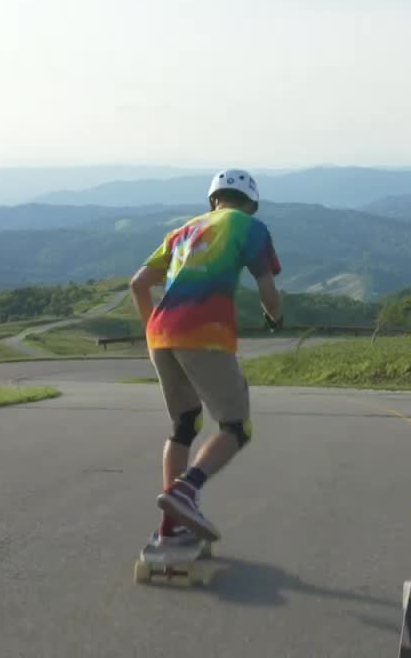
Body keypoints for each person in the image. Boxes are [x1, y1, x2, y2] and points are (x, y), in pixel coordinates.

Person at [129, 168, 284, 548]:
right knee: (236, 427)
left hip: (160, 333)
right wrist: (275, 318)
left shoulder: (182, 231)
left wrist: (155, 326)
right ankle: (187, 490)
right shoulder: (250, 227)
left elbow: (138, 284)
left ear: (213, 199)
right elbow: (268, 290)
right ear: (249, 204)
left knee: (184, 424)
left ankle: (171, 526)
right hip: (204, 333)